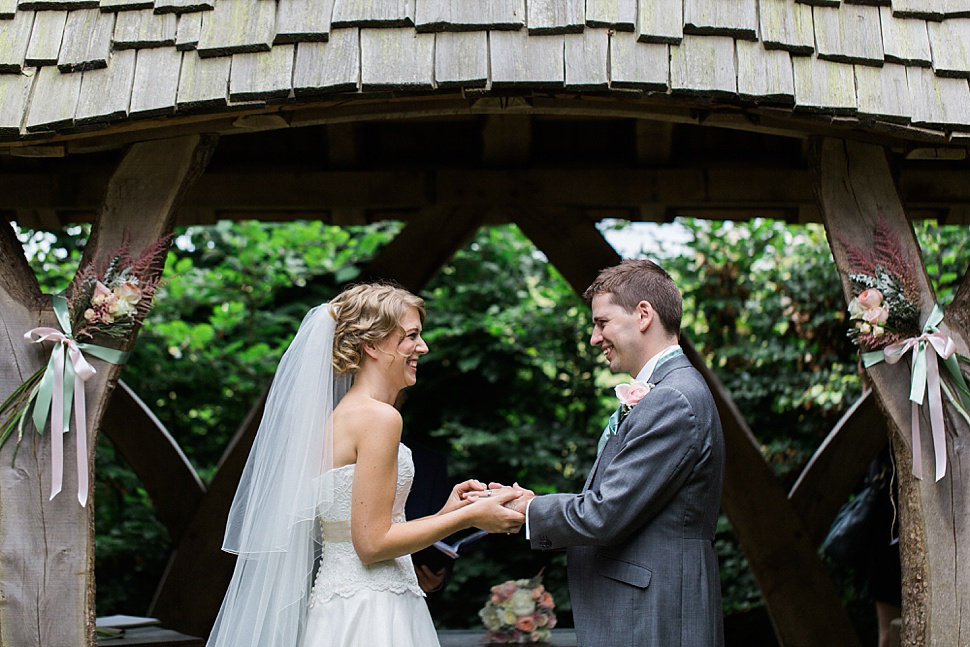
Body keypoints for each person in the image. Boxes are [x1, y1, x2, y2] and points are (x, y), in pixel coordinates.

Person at [207, 283, 524, 647]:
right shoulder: (379, 419)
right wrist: (469, 517)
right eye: (411, 336)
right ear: (371, 345)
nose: (423, 347)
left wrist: (445, 512)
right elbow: (372, 545)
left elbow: (358, 528)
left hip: (342, 605)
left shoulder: (341, 417)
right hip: (373, 611)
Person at [503, 260, 726, 647]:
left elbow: (606, 514)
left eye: (601, 322)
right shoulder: (670, 390)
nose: (594, 337)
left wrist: (528, 510)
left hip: (657, 614)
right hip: (649, 607)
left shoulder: (672, 397)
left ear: (643, 315)